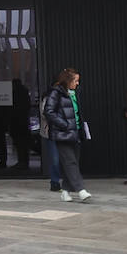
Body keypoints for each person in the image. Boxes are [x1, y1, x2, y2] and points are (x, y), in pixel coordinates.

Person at [43, 68, 90, 203]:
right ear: (67, 81)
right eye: (75, 81)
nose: (77, 84)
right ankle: (81, 190)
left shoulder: (75, 93)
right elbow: (49, 111)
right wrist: (64, 124)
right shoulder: (56, 93)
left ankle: (65, 191)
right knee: (70, 162)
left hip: (76, 133)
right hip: (62, 134)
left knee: (73, 162)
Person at [39, 72, 64, 192]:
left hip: (64, 130)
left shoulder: (66, 95)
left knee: (66, 157)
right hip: (52, 130)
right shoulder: (48, 96)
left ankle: (66, 181)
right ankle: (55, 182)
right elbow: (45, 113)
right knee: (55, 158)